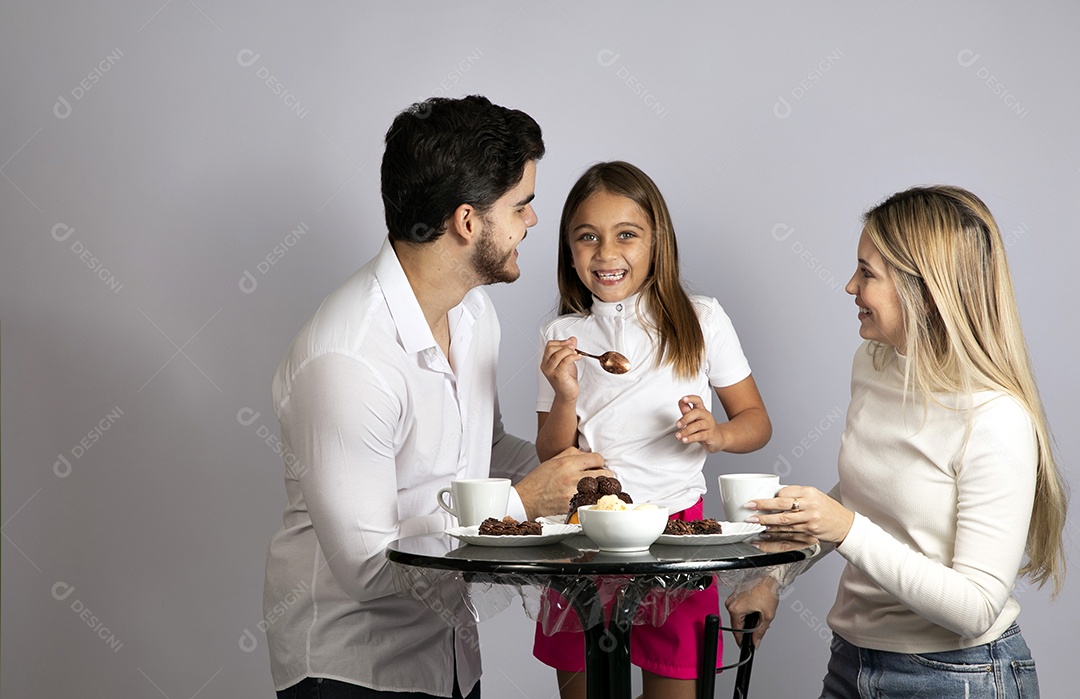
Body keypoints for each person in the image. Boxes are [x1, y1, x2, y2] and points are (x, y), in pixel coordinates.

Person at [263, 95, 612, 699]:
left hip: (449, 656)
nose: (533, 222)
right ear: (468, 221)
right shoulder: (348, 360)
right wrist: (522, 503)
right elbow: (370, 567)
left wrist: (588, 477)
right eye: (522, 205)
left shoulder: (474, 315)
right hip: (351, 672)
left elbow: (485, 449)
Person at [726, 185, 1068, 698]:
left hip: (960, 677)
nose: (849, 286)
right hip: (852, 662)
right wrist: (774, 576)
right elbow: (865, 496)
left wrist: (844, 528)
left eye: (867, 273)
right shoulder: (874, 364)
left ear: (924, 292)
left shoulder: (995, 418)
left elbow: (975, 609)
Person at [531, 161, 772, 699]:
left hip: (676, 535)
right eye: (587, 237)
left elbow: (756, 422)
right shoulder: (562, 334)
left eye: (627, 235)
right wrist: (567, 395)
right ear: (569, 250)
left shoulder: (700, 318)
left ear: (656, 242)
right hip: (583, 537)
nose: (606, 253)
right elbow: (551, 452)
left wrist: (717, 433)